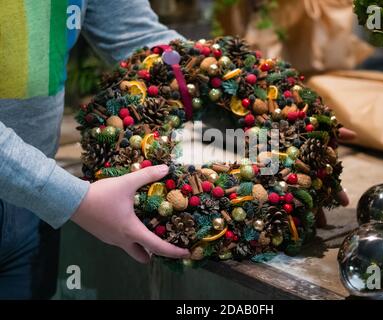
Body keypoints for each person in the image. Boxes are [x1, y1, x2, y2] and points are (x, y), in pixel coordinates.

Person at [0, 0, 354, 299]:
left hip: (31, 216)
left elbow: (139, 39)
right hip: (42, 192)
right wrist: (67, 197)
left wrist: (298, 147)